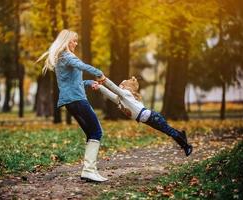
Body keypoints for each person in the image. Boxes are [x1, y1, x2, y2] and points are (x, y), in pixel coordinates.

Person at [38, 29, 107, 182]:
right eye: (73, 40)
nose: (75, 43)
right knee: (97, 132)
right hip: (77, 100)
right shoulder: (67, 57)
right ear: (66, 40)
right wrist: (99, 73)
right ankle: (89, 170)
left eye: (77, 41)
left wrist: (89, 83)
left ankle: (89, 170)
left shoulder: (62, 59)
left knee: (92, 134)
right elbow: (83, 66)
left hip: (72, 101)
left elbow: (73, 83)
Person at [98, 76, 193, 156]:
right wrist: (99, 87)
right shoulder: (120, 100)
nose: (119, 86)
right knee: (167, 130)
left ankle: (186, 146)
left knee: (168, 131)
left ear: (127, 88)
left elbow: (114, 88)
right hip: (148, 119)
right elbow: (109, 94)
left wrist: (104, 79)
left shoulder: (126, 94)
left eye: (121, 85)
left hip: (152, 117)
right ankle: (181, 134)